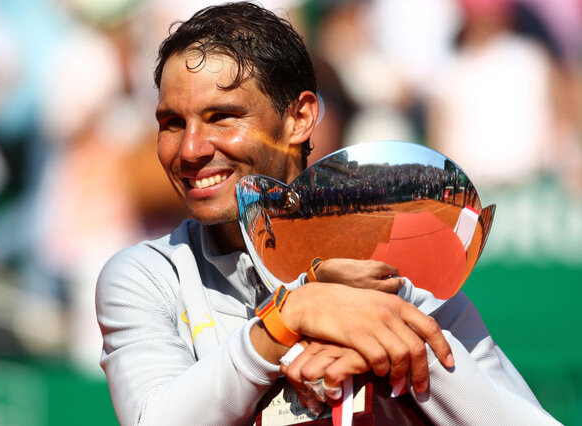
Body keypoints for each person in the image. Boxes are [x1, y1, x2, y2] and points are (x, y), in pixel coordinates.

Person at [96, 3, 558, 425]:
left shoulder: (396, 264)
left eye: (222, 117)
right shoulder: (145, 276)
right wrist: (289, 317)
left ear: (299, 118)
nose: (190, 149)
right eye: (172, 123)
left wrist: (396, 345)